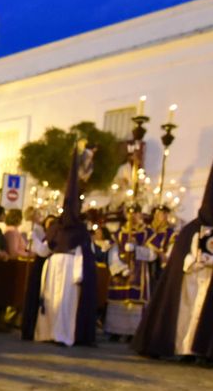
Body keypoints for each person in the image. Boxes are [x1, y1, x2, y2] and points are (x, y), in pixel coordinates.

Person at [133, 127, 213, 367]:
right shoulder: (189, 230)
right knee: (185, 315)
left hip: (212, 283)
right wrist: (191, 262)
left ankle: (205, 351)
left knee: (205, 316)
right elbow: (178, 259)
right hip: (190, 280)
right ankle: (183, 348)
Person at [34, 145, 100, 347]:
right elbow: (45, 249)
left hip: (66, 267)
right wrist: (34, 238)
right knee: (54, 301)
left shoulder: (71, 229)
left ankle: (61, 334)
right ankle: (51, 333)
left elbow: (47, 250)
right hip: (60, 267)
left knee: (65, 303)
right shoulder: (60, 228)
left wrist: (78, 275)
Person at [104, 206, 157, 340]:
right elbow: (112, 251)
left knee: (134, 302)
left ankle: (132, 332)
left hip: (138, 273)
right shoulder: (119, 233)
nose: (132, 217)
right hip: (121, 274)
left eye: (135, 214)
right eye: (129, 214)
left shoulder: (148, 233)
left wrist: (137, 250)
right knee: (118, 300)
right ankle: (115, 331)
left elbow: (153, 255)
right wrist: (119, 268)